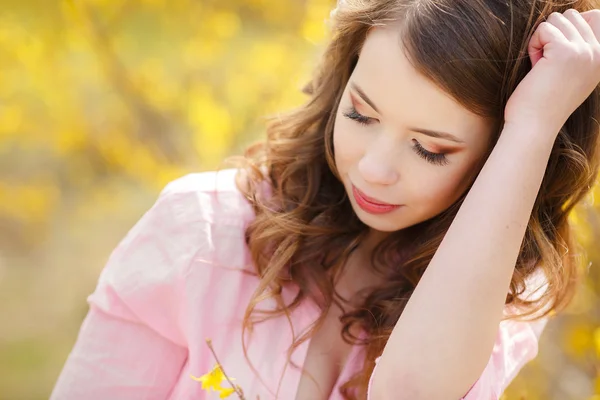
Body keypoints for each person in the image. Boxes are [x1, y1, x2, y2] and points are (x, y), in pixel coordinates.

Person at [51, 0, 600, 399]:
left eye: (430, 149)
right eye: (360, 114)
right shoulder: (200, 230)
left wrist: (534, 127)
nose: (374, 169)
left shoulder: (502, 289)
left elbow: (412, 391)